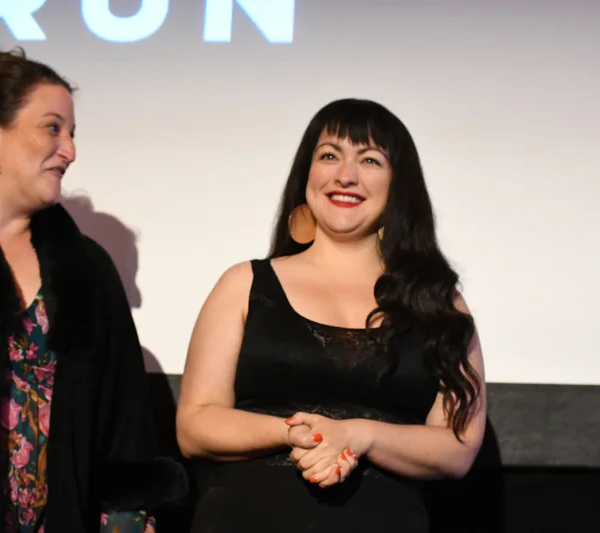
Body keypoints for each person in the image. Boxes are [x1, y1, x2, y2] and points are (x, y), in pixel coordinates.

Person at [176, 98, 487, 532]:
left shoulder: (438, 303)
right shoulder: (244, 284)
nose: (345, 175)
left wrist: (360, 435)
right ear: (307, 173)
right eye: (329, 156)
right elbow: (195, 425)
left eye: (370, 160)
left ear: (399, 183)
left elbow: (457, 448)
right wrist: (295, 433)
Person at [0, 43, 186, 532]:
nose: (69, 150)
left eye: (71, 133)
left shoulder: (86, 269)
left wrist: (130, 520)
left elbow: (124, 428)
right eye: (52, 128)